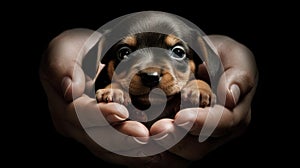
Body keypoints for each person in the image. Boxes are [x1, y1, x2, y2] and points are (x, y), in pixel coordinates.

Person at [39, 28, 258, 167]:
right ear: (103, 61)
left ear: (200, 60)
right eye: (125, 53)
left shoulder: (197, 82)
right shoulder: (111, 86)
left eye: (178, 52)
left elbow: (203, 84)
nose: (152, 72)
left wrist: (200, 85)